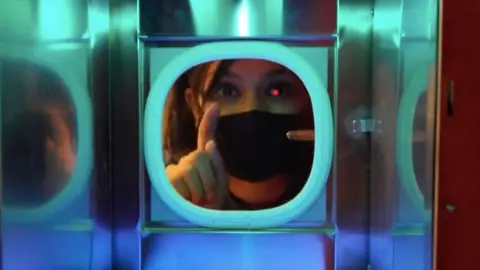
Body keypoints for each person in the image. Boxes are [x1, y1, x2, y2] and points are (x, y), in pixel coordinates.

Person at [162, 59, 315, 210]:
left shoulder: (331, 190)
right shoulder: (173, 195)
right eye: (227, 91)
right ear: (195, 106)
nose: (252, 107)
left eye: (278, 90)